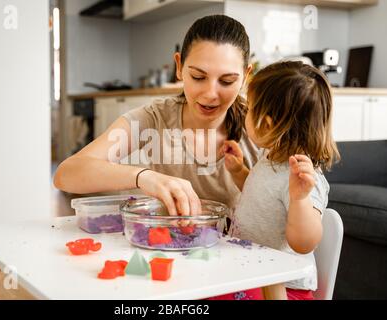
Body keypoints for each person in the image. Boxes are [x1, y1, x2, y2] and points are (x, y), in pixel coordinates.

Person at [53, 15, 259, 218]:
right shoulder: (155, 118)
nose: (210, 94)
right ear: (179, 67)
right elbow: (66, 175)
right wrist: (143, 177)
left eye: (227, 81)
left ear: (245, 76)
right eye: (198, 77)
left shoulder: (262, 126)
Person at [216, 61, 340, 300]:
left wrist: (300, 199)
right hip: (253, 276)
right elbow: (261, 199)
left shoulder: (303, 180)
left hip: (285, 289)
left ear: (268, 123)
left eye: (250, 108)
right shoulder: (271, 157)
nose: (245, 113)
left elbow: (304, 242)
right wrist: (239, 171)